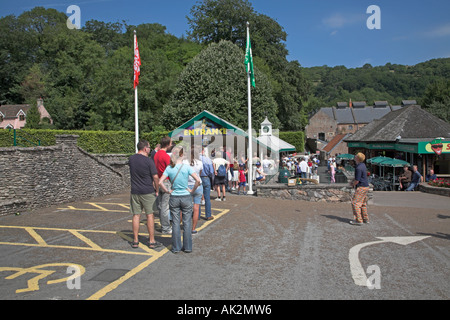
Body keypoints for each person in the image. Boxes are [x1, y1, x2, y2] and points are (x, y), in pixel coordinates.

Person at [159, 147, 201, 254]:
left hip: (174, 196)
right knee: (187, 222)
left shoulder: (169, 168)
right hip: (186, 196)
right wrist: (192, 190)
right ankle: (187, 247)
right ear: (182, 155)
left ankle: (176, 247)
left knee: (175, 223)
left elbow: (160, 182)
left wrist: (168, 190)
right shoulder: (186, 167)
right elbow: (198, 180)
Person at [128, 140, 161, 249]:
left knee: (136, 215)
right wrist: (157, 189)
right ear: (145, 148)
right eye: (149, 147)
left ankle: (135, 240)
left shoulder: (131, 159)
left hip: (135, 191)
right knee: (149, 215)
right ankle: (152, 241)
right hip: (147, 191)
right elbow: (155, 177)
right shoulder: (149, 161)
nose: (150, 149)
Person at [154, 137, 173, 234]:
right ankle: (166, 228)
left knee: (161, 206)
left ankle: (163, 225)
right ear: (168, 144)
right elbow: (171, 170)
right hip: (165, 181)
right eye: (171, 143)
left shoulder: (156, 154)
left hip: (157, 181)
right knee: (165, 207)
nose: (171, 145)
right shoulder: (166, 156)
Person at [183, 148, 203, 234]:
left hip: (187, 185)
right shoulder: (200, 163)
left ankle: (185, 225)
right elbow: (199, 174)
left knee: (184, 207)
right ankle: (193, 228)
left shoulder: (185, 162)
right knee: (196, 207)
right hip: (198, 185)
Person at [349, 153, 370, 226]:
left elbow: (357, 180)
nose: (354, 156)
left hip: (361, 187)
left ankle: (358, 220)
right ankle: (365, 218)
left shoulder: (358, 168)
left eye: (356, 156)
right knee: (363, 203)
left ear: (358, 158)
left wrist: (352, 184)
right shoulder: (363, 165)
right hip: (366, 186)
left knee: (355, 203)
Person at [199, 147, 214, 220]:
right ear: (203, 151)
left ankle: (197, 215)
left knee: (197, 198)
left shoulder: (194, 160)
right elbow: (211, 171)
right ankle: (208, 215)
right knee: (207, 198)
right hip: (206, 177)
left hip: (197, 178)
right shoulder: (207, 159)